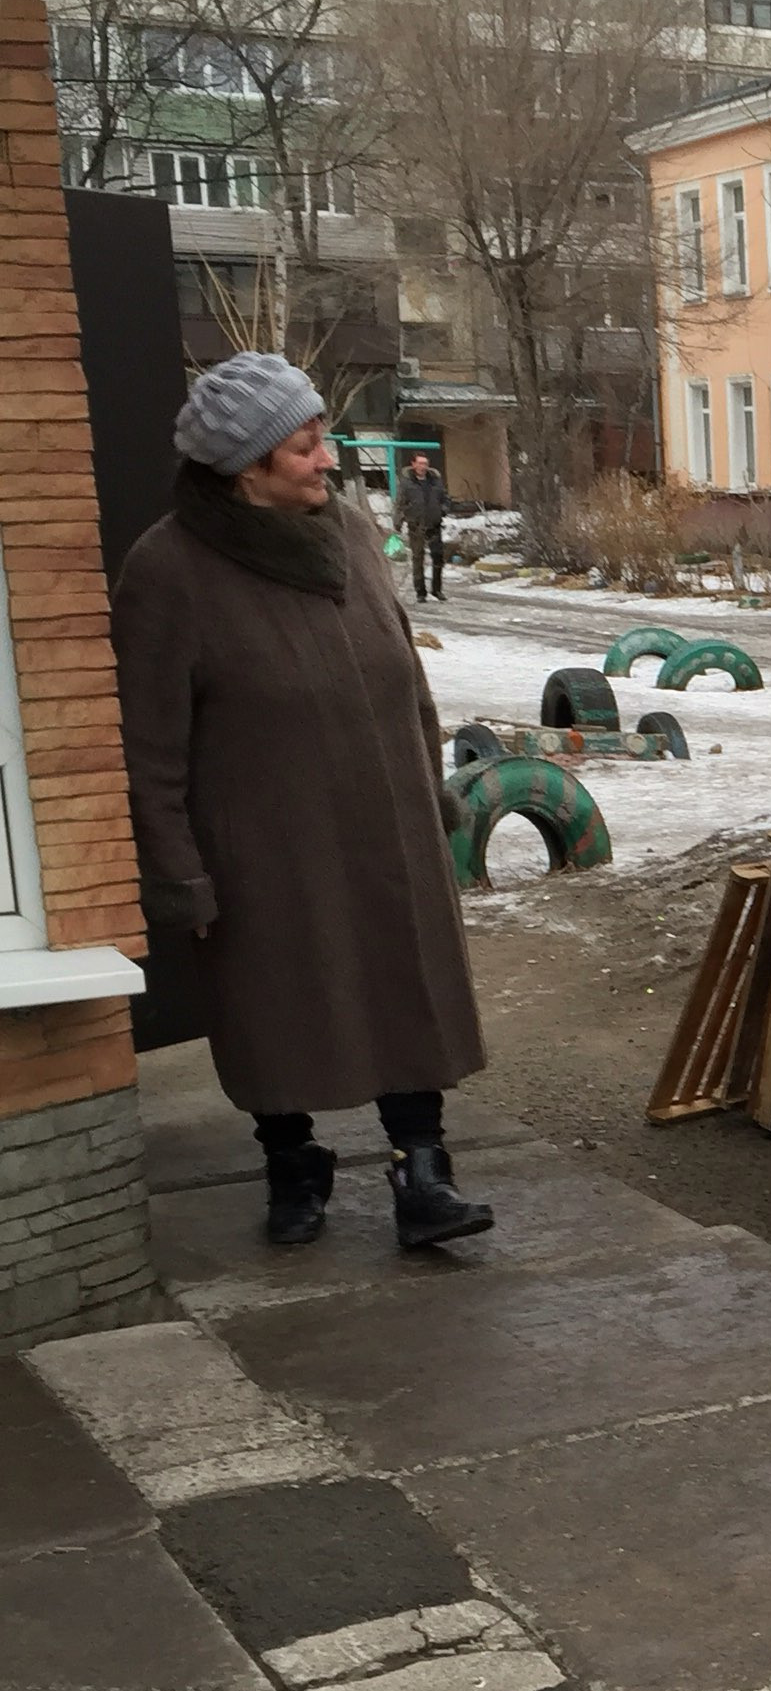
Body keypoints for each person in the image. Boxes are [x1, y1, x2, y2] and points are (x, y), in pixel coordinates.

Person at [112, 353, 495, 1252]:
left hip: (387, 822)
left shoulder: (351, 534)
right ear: (245, 468)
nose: (328, 461)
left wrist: (429, 788)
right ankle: (292, 1159)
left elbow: (408, 679)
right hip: (264, 849)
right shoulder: (168, 570)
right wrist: (179, 875)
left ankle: (423, 1171)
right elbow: (149, 745)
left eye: (321, 439)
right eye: (304, 447)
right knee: (275, 1005)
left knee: (406, 988)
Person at [396, 452, 449, 601]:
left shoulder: (435, 481)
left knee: (438, 558)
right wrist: (398, 521)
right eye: (420, 463)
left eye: (425, 463)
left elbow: (445, 498)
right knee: (418, 558)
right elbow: (400, 503)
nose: (422, 466)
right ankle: (420, 592)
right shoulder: (407, 483)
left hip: (434, 524)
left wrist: (443, 509)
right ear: (413, 464)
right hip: (416, 525)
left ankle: (437, 590)